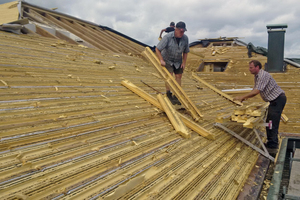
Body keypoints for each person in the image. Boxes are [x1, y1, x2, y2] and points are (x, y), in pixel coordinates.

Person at [233, 60, 287, 149]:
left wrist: (242, 97)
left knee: (272, 122)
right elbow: (254, 89)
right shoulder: (257, 76)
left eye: (251, 67)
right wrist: (244, 98)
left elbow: (256, 91)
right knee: (269, 121)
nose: (249, 69)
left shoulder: (262, 75)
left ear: (257, 67)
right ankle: (271, 142)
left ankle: (273, 146)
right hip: (275, 100)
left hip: (278, 99)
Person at [156, 21, 189, 105]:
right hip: (167, 59)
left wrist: (184, 62)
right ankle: (168, 93)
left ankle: (177, 94)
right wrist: (161, 60)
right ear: (176, 29)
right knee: (169, 75)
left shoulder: (185, 38)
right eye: (181, 31)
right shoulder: (167, 37)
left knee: (179, 76)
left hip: (178, 60)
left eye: (183, 31)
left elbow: (185, 52)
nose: (182, 33)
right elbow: (157, 49)